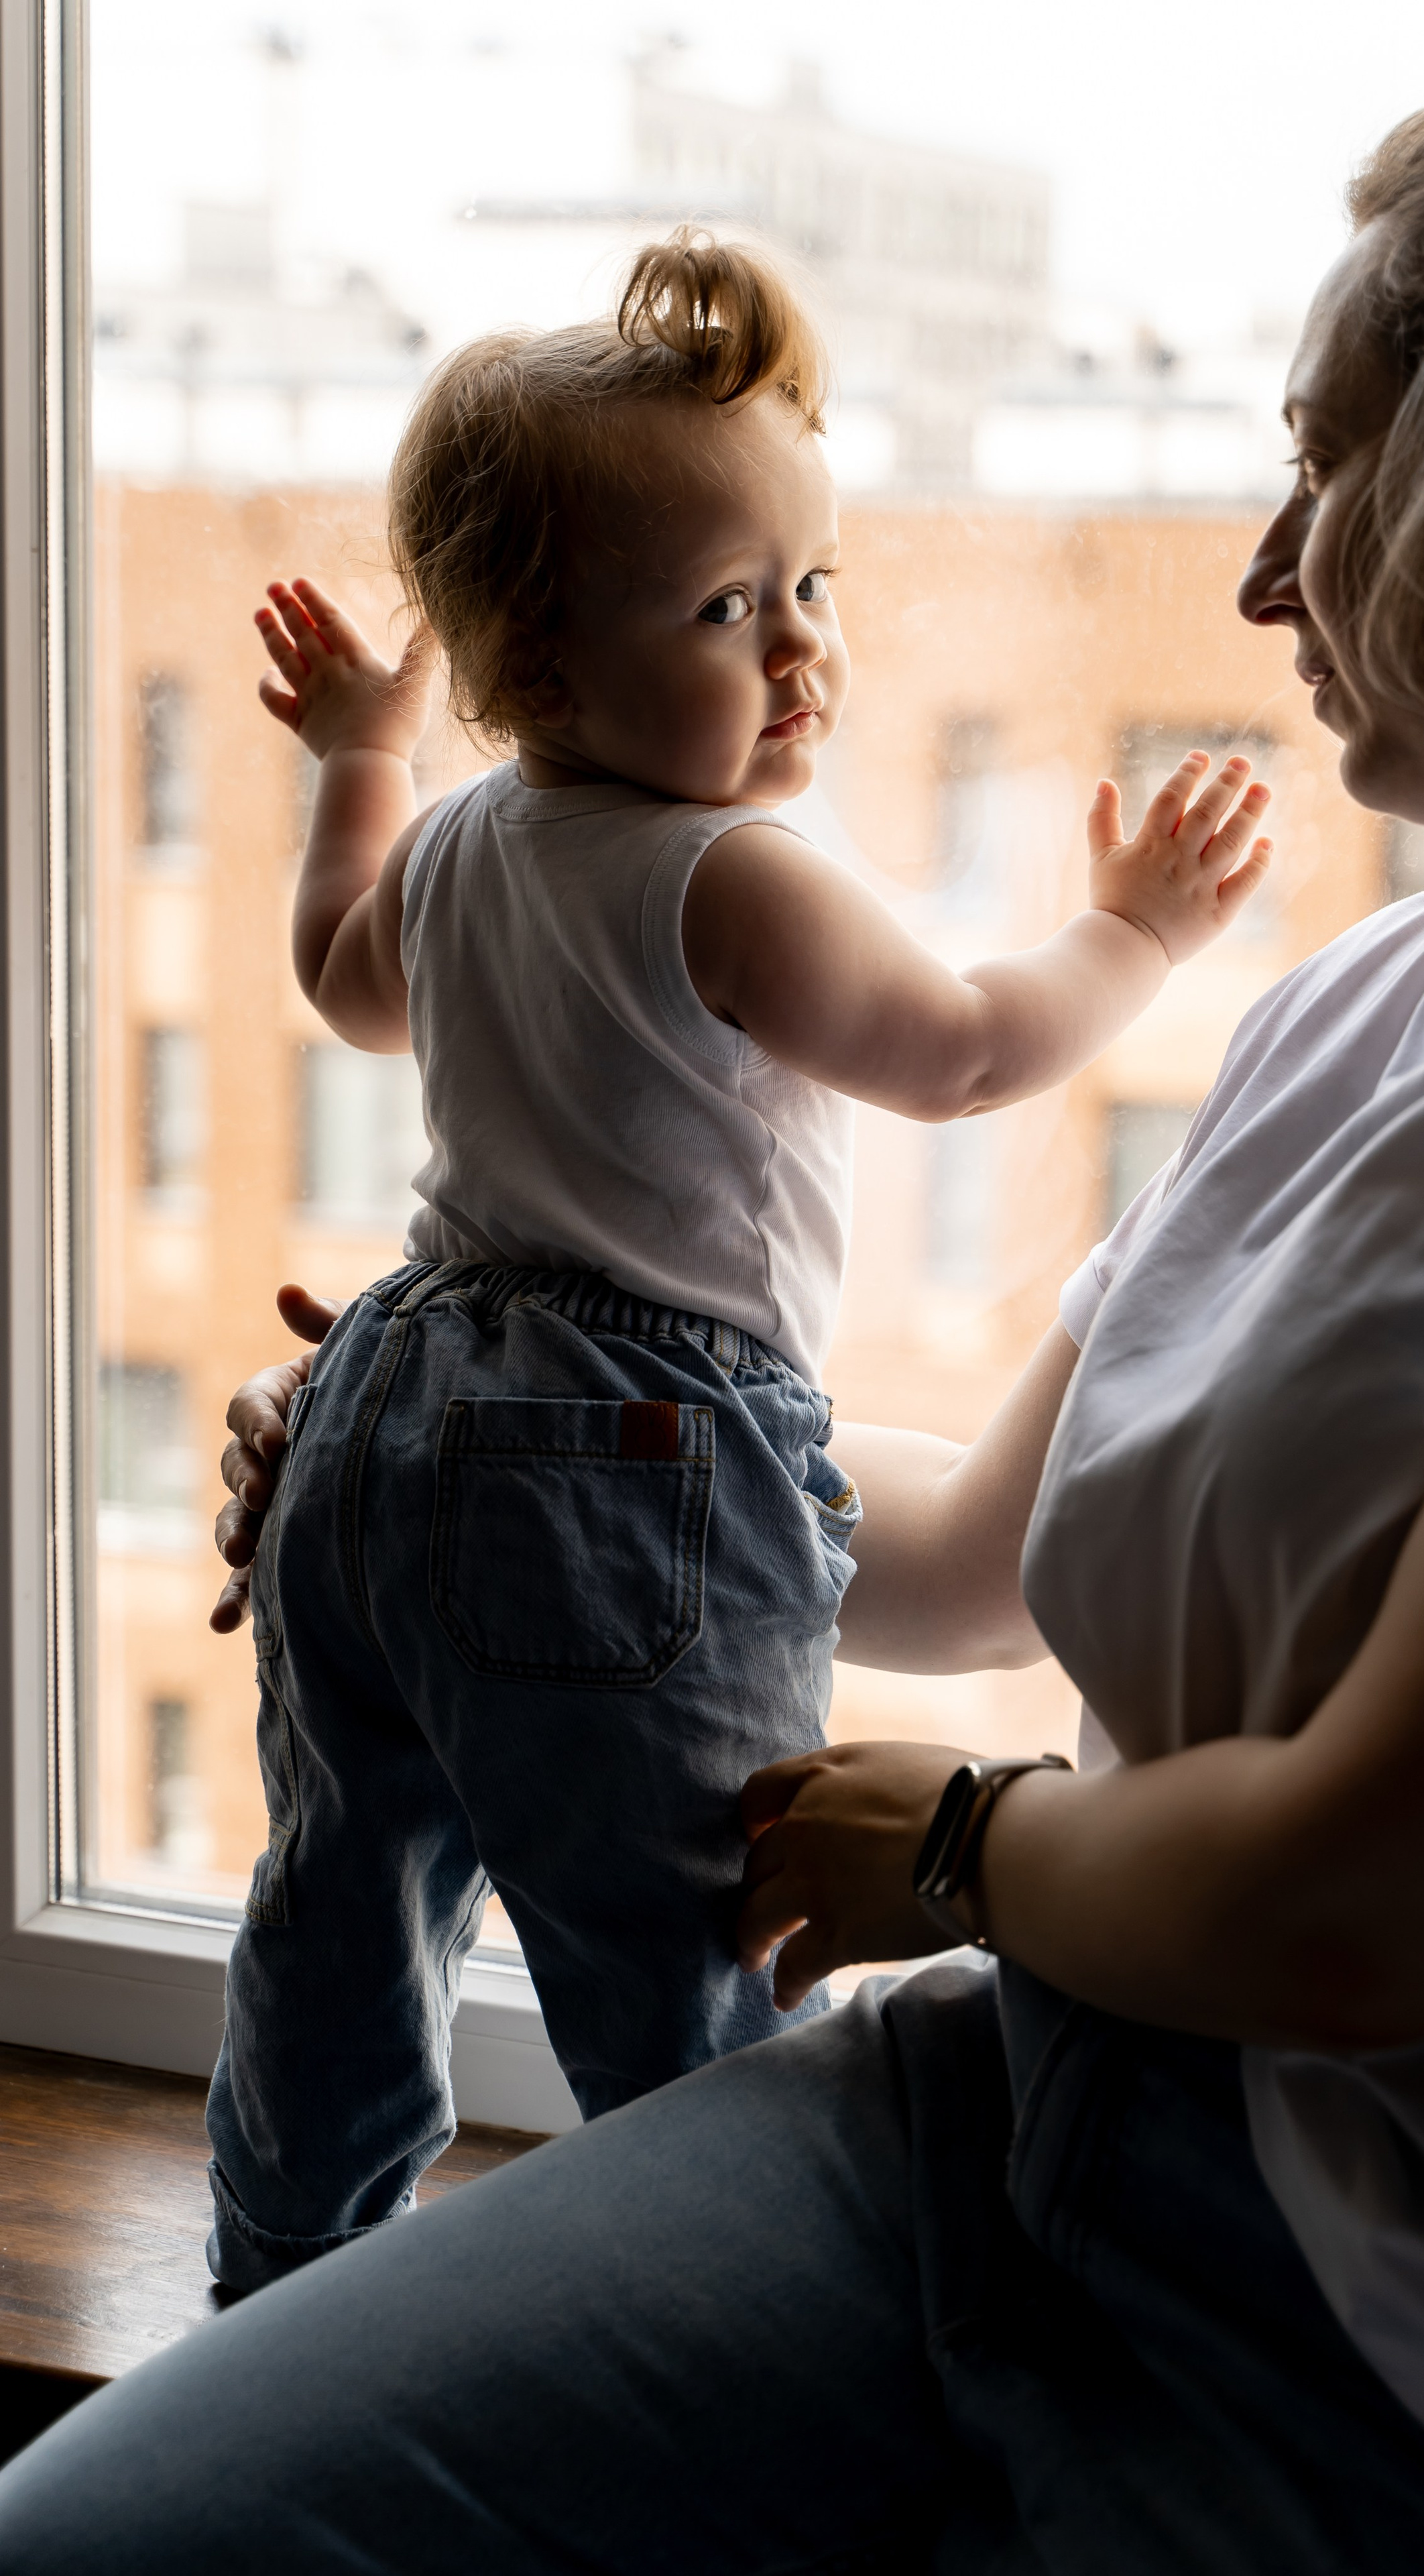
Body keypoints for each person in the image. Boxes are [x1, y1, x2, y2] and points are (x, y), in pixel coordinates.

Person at [3, 52, 1424, 2574]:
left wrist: (977, 1840)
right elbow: (946, 1567)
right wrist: (481, 1434)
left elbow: (1377, 1895)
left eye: (1330, 472)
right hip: (1011, 2112)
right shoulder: (1371, 1003)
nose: (1261, 571)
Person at [208, 228, 1269, 2290]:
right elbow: (961, 1050)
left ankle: (279, 2262)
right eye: (723, 609)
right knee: (688, 1940)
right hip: (626, 1462)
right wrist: (1135, 935)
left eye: (815, 586)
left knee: (344, 1892)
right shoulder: (732, 873)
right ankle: (738, 2288)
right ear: (534, 664)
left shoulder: (457, 840)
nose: (801, 653)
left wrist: (358, 754)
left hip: (390, 1398)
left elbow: (343, 984)